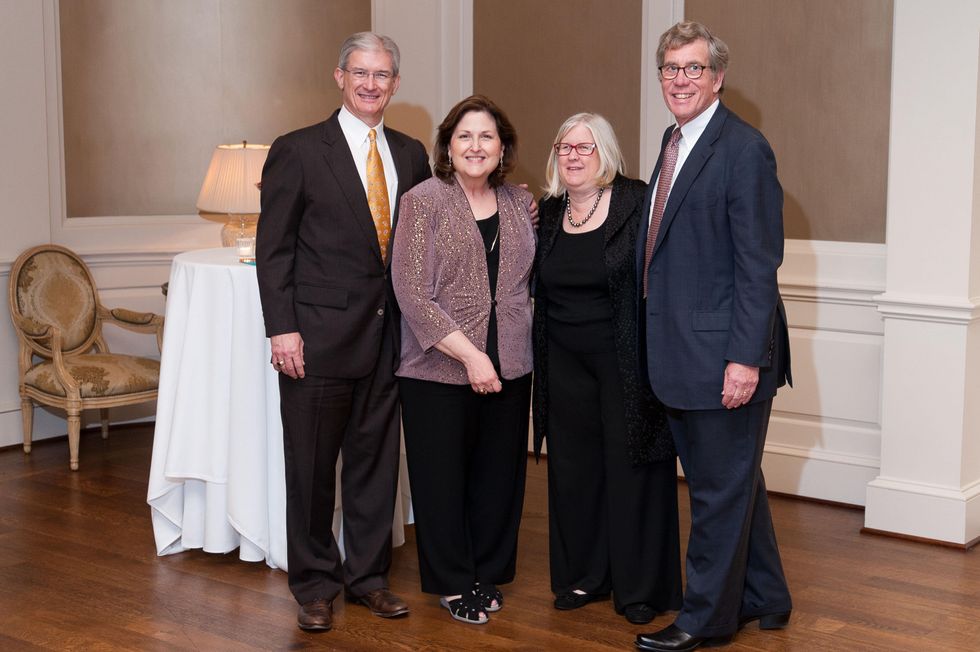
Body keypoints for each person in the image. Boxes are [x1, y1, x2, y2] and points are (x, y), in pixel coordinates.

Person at [255, 32, 432, 633]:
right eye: (360, 72)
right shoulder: (299, 150)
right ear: (339, 76)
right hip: (316, 341)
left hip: (389, 343)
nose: (370, 84)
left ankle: (368, 578)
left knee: (376, 466)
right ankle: (313, 585)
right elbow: (274, 249)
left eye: (382, 75)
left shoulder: (410, 154)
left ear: (396, 83)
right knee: (309, 470)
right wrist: (282, 330)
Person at [635, 21, 793, 652]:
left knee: (717, 496)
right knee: (731, 484)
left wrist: (743, 360)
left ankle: (705, 619)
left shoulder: (743, 148)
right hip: (679, 352)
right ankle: (766, 595)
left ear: (718, 77)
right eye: (670, 69)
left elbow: (759, 264)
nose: (680, 79)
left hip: (724, 356)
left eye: (693, 68)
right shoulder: (675, 143)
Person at [531, 113, 682, 625]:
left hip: (626, 361)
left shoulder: (637, 200)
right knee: (574, 473)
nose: (573, 156)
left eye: (585, 147)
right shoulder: (549, 212)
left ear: (606, 153)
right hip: (563, 362)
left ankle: (640, 588)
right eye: (565, 146)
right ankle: (584, 576)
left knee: (633, 468)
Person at [392, 95, 535, 625]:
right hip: (438, 368)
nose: (476, 146)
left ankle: (486, 572)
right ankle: (453, 582)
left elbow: (525, 282)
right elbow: (411, 292)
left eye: (487, 137)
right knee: (442, 479)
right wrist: (472, 356)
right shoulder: (423, 201)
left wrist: (497, 357)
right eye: (465, 137)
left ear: (503, 148)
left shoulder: (521, 205)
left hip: (512, 361)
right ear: (448, 147)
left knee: (498, 477)